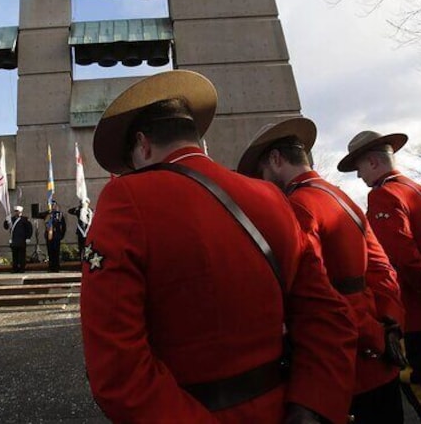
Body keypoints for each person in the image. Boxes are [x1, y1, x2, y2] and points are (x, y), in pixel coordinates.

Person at [82, 70, 358, 424]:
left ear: (143, 145)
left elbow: (117, 366)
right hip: (283, 408)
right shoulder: (271, 196)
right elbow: (326, 315)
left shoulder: (126, 196)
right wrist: (311, 407)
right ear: (196, 139)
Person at [238, 118, 406, 423]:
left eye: (261, 172)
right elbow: (382, 269)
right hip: (375, 349)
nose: (262, 181)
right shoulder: (339, 195)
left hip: (344, 360)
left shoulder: (298, 204)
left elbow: (315, 294)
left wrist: (369, 334)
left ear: (275, 160)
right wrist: (387, 323)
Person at [338, 130, 421, 424]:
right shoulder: (418, 190)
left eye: (358, 168)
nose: (359, 176)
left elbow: (402, 259)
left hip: (417, 312)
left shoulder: (384, 195)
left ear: (372, 162)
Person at [5, 206, 32, 273]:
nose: (17, 212)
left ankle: (22, 268)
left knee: (22, 256)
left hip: (22, 240)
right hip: (14, 240)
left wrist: (28, 237)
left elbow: (29, 229)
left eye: (19, 211)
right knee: (15, 255)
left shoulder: (25, 219)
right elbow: (6, 227)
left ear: (21, 212)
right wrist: (6, 221)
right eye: (16, 211)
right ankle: (15, 268)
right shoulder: (12, 219)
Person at [44, 203, 67, 272]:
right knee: (50, 252)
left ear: (56, 206)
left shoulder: (59, 215)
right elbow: (38, 215)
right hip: (49, 236)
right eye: (51, 205)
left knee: (56, 252)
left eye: (54, 205)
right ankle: (51, 267)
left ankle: (56, 267)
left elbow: (64, 226)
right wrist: (48, 212)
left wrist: (61, 235)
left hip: (56, 236)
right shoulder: (47, 214)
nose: (53, 207)